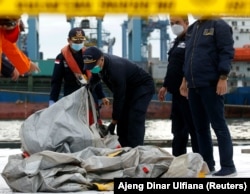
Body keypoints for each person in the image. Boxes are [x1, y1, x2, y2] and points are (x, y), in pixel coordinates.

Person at [180, 16, 237, 176]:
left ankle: (228, 166)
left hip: (211, 84)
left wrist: (223, 77)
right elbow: (188, 57)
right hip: (193, 85)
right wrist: (185, 80)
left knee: (219, 126)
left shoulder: (219, 25)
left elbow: (226, 52)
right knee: (200, 129)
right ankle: (208, 165)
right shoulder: (192, 29)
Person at [82, 46, 155, 148]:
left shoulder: (115, 70)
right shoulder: (98, 66)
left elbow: (119, 97)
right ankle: (124, 148)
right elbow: (94, 79)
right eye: (90, 67)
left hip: (142, 87)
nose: (92, 69)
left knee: (134, 117)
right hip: (128, 88)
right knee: (122, 119)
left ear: (101, 59)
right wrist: (86, 90)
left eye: (93, 65)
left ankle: (136, 149)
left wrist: (113, 121)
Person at [49, 27, 109, 126]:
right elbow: (56, 81)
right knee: (72, 125)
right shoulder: (61, 58)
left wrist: (102, 96)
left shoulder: (89, 56)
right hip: (71, 97)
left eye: (81, 40)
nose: (79, 43)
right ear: (69, 40)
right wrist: (52, 100)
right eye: (76, 40)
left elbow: (95, 77)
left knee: (94, 124)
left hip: (90, 96)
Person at [158, 15, 199, 156]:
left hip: (188, 92)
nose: (174, 25)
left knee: (193, 127)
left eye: (177, 22)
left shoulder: (192, 40)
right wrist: (165, 85)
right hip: (176, 93)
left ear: (186, 23)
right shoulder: (175, 42)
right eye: (172, 23)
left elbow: (192, 64)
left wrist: (185, 81)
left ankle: (200, 159)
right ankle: (178, 159)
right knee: (178, 129)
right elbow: (172, 66)